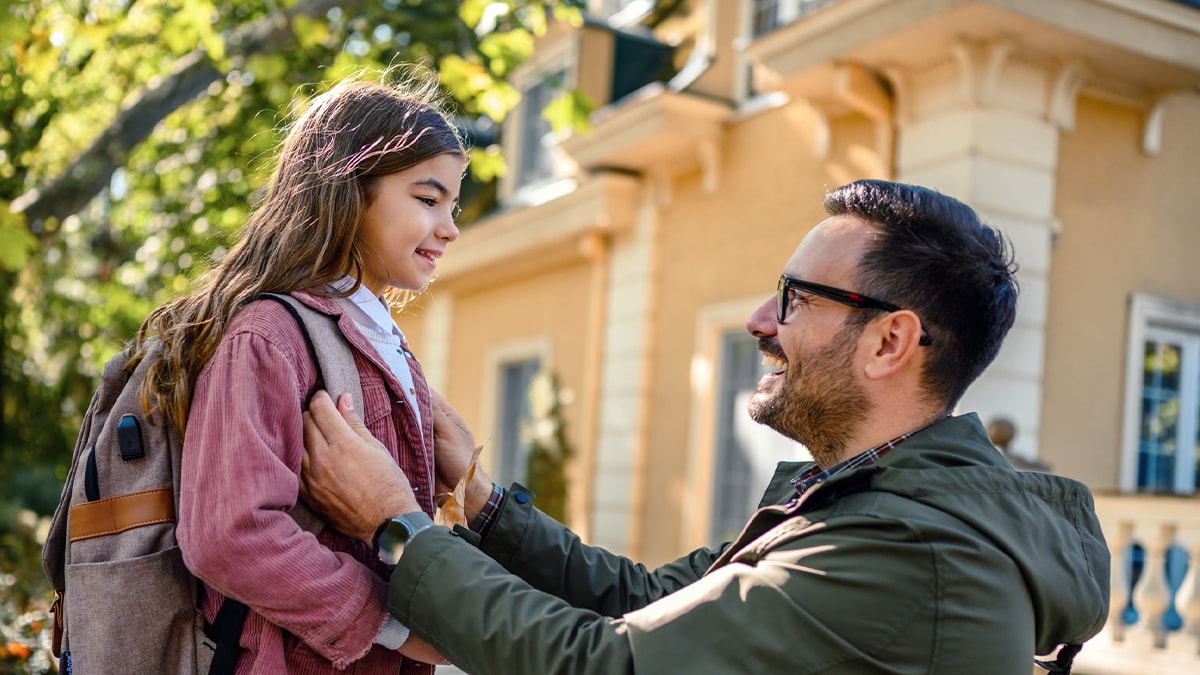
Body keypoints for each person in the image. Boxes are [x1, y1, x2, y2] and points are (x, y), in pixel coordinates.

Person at [299, 179, 1111, 674]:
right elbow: (654, 601)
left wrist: (396, 527)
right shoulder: (854, 499)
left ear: (890, 341)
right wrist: (479, 502)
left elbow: (604, 662)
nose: (763, 320)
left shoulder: (911, 551)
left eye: (796, 298)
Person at [135, 73, 463, 673]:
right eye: (426, 199)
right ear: (350, 191)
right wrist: (391, 622)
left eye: (452, 205)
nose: (450, 227)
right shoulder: (268, 337)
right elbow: (229, 535)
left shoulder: (382, 344)